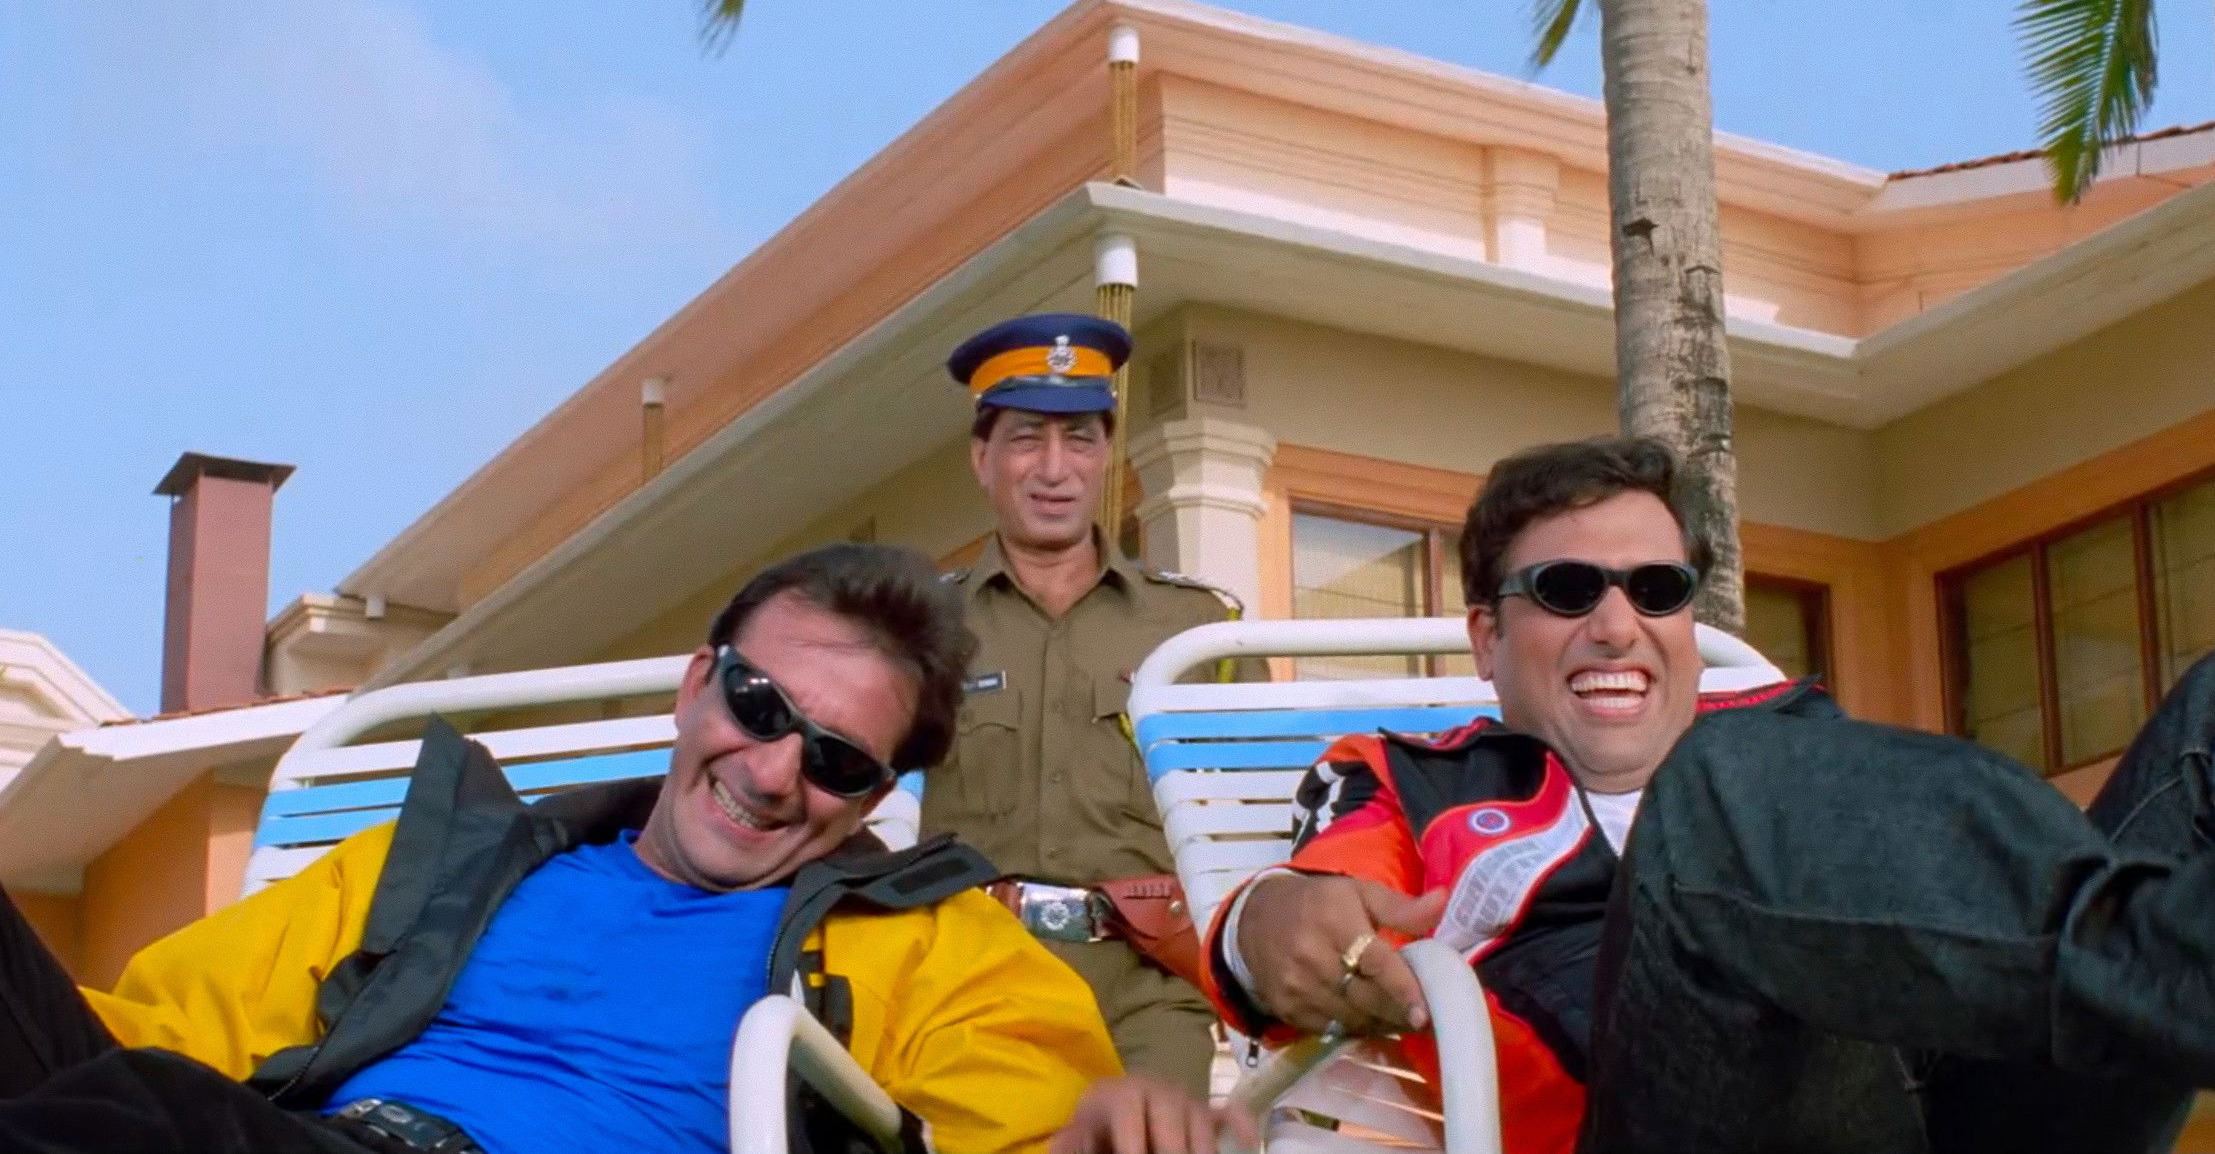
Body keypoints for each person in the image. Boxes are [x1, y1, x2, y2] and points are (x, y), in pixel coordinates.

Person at [0, 543, 1240, 1154]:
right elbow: (155, 1029)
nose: (773, 771)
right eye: (757, 704)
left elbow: (1029, 1128)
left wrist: (1097, 1132)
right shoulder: (432, 866)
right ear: (699, 684)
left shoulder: (943, 953)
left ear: (875, 795)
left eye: (836, 759)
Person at [1206, 437, 2215, 1153]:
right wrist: (1266, 921)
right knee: (1717, 784)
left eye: (1655, 590)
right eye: (1565, 590)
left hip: (1984, 1101)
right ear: (1485, 636)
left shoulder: (1786, 731)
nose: (1617, 626)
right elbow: (1304, 915)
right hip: (1663, 1119)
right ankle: (2163, 964)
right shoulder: (1407, 777)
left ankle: (2160, 960)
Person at [927, 313, 1260, 1098]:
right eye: (1025, 440)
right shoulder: (920, 628)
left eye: (1078, 440)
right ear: (981, 458)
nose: (1055, 469)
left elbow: (1257, 827)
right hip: (971, 977)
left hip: (1150, 985)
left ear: (1105, 454)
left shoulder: (1197, 628)